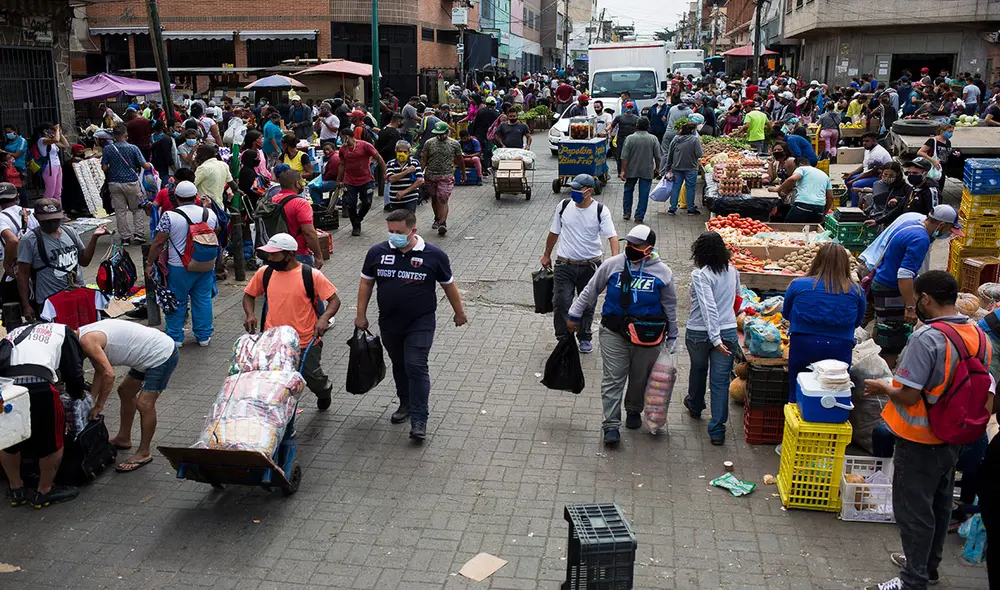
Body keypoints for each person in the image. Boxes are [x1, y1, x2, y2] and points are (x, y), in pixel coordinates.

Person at [863, 271, 995, 590]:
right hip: (956, 436)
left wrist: (883, 387)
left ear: (925, 299)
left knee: (913, 512)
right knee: (938, 504)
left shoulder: (928, 337)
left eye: (917, 299)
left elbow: (909, 394)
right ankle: (928, 567)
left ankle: (912, 580)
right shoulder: (979, 334)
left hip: (919, 439)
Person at [355, 209, 468, 441]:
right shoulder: (377, 252)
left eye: (399, 232)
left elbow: (449, 285)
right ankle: (405, 403)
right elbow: (366, 284)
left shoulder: (434, 255)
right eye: (390, 231)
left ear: (413, 230)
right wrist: (360, 314)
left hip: (421, 321)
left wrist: (459, 312)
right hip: (389, 322)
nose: (393, 236)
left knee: (416, 365)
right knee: (399, 363)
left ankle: (419, 418)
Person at [567, 225, 678, 444]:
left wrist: (673, 336)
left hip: (648, 336)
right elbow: (591, 289)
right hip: (613, 332)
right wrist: (574, 314)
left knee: (639, 378)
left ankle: (634, 409)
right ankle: (610, 425)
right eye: (629, 244)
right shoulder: (613, 265)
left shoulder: (663, 272)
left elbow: (670, 306)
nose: (631, 248)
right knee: (613, 377)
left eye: (636, 245)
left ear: (649, 249)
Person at [243, 233, 340, 410]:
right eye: (269, 254)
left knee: (312, 377)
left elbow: (334, 300)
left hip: (306, 341)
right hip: (273, 341)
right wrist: (250, 314)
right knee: (278, 383)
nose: (270, 258)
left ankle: (324, 390)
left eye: (274, 254)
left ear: (289, 254)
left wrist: (324, 318)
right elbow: (249, 295)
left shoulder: (311, 275)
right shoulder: (265, 273)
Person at [0, 321, 88, 509]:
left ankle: (16, 489)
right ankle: (44, 491)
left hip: (8, 388)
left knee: (9, 438)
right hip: (41, 387)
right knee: (52, 441)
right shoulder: (64, 331)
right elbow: (73, 370)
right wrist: (76, 393)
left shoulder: (16, 331)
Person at [79, 319, 179, 473]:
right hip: (145, 354)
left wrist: (99, 405)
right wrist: (90, 401)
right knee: (125, 391)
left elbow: (109, 375)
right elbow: (100, 370)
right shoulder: (82, 336)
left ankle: (144, 452)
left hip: (161, 354)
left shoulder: (86, 341)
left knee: (144, 404)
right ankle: (123, 438)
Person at [540, 174, 619, 354]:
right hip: (564, 264)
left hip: (590, 266)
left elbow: (612, 237)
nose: (573, 192)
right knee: (560, 302)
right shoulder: (564, 206)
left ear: (589, 191)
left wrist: (615, 262)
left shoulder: (600, 210)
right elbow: (554, 232)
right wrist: (546, 254)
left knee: (587, 305)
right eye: (572, 188)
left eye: (578, 189)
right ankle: (563, 338)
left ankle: (584, 337)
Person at [783, 243, 866, 399]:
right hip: (840, 347)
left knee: (798, 389)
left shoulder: (798, 285)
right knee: (834, 393)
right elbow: (857, 322)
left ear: (817, 260)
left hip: (803, 345)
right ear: (845, 264)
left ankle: (796, 419)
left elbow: (786, 314)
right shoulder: (856, 291)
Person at [144, 180, 219, 347]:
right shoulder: (209, 214)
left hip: (178, 267)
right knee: (203, 299)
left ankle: (176, 336)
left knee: (177, 300)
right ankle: (204, 336)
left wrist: (150, 263)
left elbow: (158, 243)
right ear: (196, 197)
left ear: (176, 197)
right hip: (205, 265)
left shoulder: (169, 216)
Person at [870, 205, 962, 340]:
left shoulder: (912, 224)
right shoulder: (920, 239)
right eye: (950, 229)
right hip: (891, 289)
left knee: (883, 330)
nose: (950, 234)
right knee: (893, 338)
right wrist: (910, 307)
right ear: (941, 225)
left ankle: (878, 358)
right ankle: (888, 359)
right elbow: (904, 275)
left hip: (882, 281)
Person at [683, 232, 739, 444]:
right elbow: (737, 298)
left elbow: (708, 308)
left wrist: (715, 339)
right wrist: (727, 325)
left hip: (700, 333)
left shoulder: (700, 275)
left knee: (698, 369)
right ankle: (717, 430)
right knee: (720, 380)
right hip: (727, 332)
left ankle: (696, 405)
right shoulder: (732, 271)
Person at [17, 199, 108, 320]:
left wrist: (94, 238)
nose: (52, 224)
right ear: (36, 217)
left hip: (77, 295)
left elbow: (84, 261)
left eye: (55, 219)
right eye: (47, 221)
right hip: (50, 302)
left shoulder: (69, 232)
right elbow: (22, 274)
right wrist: (26, 305)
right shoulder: (29, 240)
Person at [101, 125, 151, 246]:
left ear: (114, 136)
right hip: (131, 182)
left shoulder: (108, 149)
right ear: (126, 135)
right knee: (137, 209)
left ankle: (125, 238)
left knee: (120, 211)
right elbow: (145, 166)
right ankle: (139, 234)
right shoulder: (133, 148)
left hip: (114, 183)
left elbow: (104, 167)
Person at [268, 166, 324, 268]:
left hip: (276, 253)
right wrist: (318, 255)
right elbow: (309, 233)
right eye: (301, 181)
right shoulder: (300, 203)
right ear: (297, 183)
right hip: (298, 253)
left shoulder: (272, 200)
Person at [337, 125, 386, 236]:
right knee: (350, 204)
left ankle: (358, 218)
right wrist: (339, 180)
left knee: (367, 202)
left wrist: (384, 172)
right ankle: (356, 226)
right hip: (349, 180)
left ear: (347, 136)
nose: (340, 140)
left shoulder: (365, 146)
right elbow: (342, 165)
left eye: (341, 137)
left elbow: (379, 158)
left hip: (366, 179)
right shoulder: (343, 149)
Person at [866, 157, 940, 228]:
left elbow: (933, 216)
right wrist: (878, 221)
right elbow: (900, 208)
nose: (911, 176)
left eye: (915, 173)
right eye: (909, 173)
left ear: (925, 173)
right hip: (906, 225)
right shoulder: (913, 189)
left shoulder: (930, 191)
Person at [420, 121, 465, 236]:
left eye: (442, 133)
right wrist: (419, 173)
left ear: (447, 132)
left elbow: (460, 160)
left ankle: (442, 223)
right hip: (430, 175)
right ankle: (437, 217)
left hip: (446, 175)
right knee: (434, 198)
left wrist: (463, 173)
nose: (440, 136)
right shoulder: (429, 143)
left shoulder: (454, 144)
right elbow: (424, 159)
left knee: (443, 198)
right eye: (437, 134)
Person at [619, 117, 661, 224]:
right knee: (644, 193)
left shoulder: (629, 138)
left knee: (628, 190)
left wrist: (623, 170)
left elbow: (624, 157)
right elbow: (658, 156)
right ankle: (639, 216)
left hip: (631, 170)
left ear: (636, 126)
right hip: (647, 171)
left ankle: (626, 212)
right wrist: (657, 168)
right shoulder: (653, 139)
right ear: (648, 126)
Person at [0, 182, 37, 304]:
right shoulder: (32, 212)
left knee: (11, 306)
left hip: (18, 267)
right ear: (17, 197)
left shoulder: (1, 218)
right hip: (38, 265)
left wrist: (6, 264)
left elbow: (12, 240)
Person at [768, 157, 833, 223]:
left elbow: (793, 178)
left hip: (803, 205)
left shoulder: (801, 168)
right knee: (812, 231)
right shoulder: (824, 175)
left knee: (790, 227)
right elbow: (830, 197)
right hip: (819, 208)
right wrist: (824, 213)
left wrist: (778, 189)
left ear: (800, 164)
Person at [661, 121, 703, 216]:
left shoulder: (676, 139)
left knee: (676, 187)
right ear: (692, 130)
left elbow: (670, 154)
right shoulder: (694, 140)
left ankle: (672, 208)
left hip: (676, 167)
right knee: (690, 188)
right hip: (691, 168)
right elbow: (699, 154)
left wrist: (668, 167)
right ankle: (690, 209)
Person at [844, 133, 892, 207]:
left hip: (880, 177)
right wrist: (851, 173)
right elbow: (864, 165)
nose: (864, 143)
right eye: (863, 141)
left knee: (856, 184)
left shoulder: (877, 153)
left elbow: (871, 173)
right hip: (869, 174)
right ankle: (854, 198)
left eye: (867, 141)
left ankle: (855, 207)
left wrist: (854, 180)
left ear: (874, 141)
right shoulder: (868, 149)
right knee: (847, 179)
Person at [385, 140, 424, 212]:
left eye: (405, 152)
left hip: (411, 198)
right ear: (396, 151)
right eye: (400, 151)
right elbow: (390, 179)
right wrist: (406, 171)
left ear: (409, 153)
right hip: (395, 199)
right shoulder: (391, 164)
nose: (402, 154)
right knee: (397, 221)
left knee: (409, 220)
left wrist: (404, 192)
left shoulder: (414, 163)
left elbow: (420, 180)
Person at [916, 123, 957, 193]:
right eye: (949, 132)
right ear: (942, 131)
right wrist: (933, 160)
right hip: (932, 167)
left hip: (942, 168)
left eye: (952, 132)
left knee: (939, 188)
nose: (950, 134)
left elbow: (947, 153)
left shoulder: (948, 142)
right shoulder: (933, 141)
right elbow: (920, 152)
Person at [34, 122, 69, 201]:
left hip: (57, 165)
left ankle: (58, 209)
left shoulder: (52, 141)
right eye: (51, 130)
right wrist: (56, 129)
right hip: (49, 167)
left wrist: (60, 133)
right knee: (50, 191)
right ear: (45, 131)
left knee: (58, 191)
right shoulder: (42, 140)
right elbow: (56, 139)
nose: (53, 132)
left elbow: (66, 145)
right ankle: (46, 210)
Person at [308, 142, 340, 206]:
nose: (326, 151)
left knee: (313, 187)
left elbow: (332, 174)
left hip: (335, 181)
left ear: (333, 149)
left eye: (328, 149)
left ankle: (317, 205)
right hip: (334, 179)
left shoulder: (334, 158)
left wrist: (323, 178)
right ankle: (320, 203)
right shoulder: (333, 157)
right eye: (324, 150)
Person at [610, 102, 639, 173]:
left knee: (632, 155)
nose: (629, 109)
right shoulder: (619, 117)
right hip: (621, 139)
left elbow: (639, 128)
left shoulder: (636, 118)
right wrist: (610, 135)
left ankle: (630, 171)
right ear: (625, 107)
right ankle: (620, 172)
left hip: (632, 139)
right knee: (619, 155)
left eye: (630, 108)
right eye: (628, 107)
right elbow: (612, 126)